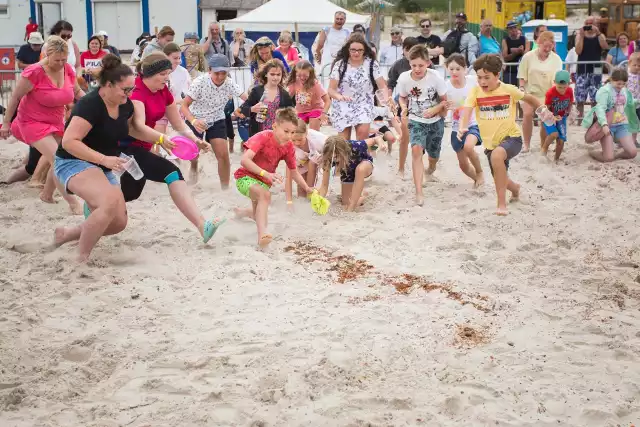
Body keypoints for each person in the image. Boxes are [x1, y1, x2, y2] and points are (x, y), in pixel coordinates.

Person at [118, 52, 224, 243]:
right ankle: (202, 226)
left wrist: (194, 139)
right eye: (163, 73)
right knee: (172, 172)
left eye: (169, 73)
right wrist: (161, 138)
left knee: (132, 192)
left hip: (144, 146)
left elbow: (177, 123)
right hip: (126, 147)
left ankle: (98, 205)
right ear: (149, 74)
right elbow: (137, 126)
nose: (167, 77)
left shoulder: (162, 91)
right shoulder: (137, 92)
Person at [459, 54, 555, 216]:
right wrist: (463, 127)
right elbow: (467, 110)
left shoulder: (508, 90)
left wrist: (543, 112)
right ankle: (515, 189)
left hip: (512, 138)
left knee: (497, 157)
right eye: (479, 77)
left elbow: (530, 98)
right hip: (491, 144)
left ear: (497, 75)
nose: (482, 82)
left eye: (487, 77)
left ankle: (501, 205)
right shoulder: (475, 92)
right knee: (499, 177)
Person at [0, 36, 84, 213]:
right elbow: (15, 98)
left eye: (64, 59)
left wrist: (96, 103)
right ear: (46, 54)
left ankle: (47, 194)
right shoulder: (34, 72)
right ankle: (73, 203)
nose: (60, 63)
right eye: (57, 60)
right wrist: (6, 123)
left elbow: (77, 92)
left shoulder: (67, 69)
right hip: (31, 121)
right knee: (58, 159)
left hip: (55, 121)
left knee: (62, 156)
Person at [233, 107, 313, 248]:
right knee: (265, 196)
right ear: (275, 126)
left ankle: (242, 213)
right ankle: (262, 237)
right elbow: (244, 160)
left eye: (293, 132)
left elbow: (293, 172)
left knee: (259, 211)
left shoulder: (288, 146)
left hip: (264, 183)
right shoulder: (263, 137)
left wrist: (307, 188)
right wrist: (266, 173)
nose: (289, 136)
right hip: (245, 177)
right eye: (286, 131)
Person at [182, 54, 248, 188]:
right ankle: (194, 167)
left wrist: (248, 108)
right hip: (196, 118)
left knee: (223, 155)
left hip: (217, 119)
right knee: (193, 154)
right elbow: (183, 106)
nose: (220, 77)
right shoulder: (199, 83)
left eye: (223, 73)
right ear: (209, 70)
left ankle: (224, 188)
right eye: (217, 73)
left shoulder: (229, 83)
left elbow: (248, 99)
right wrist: (194, 121)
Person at [397, 44, 448, 206]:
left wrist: (435, 109)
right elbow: (402, 97)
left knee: (434, 155)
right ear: (409, 63)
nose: (417, 69)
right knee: (416, 150)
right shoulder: (404, 78)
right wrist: (404, 107)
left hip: (435, 121)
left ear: (428, 62)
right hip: (416, 120)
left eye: (421, 65)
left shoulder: (436, 78)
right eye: (413, 65)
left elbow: (445, 101)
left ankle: (431, 169)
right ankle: (419, 192)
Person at [327, 34, 388, 141]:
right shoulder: (340, 65)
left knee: (362, 138)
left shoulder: (371, 64)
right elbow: (331, 90)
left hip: (363, 105)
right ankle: (346, 158)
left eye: (360, 50)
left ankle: (361, 158)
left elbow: (382, 85)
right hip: (343, 105)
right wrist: (339, 97)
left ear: (364, 50)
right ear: (348, 50)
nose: (356, 53)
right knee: (344, 142)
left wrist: (388, 100)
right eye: (353, 50)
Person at [518, 31, 562, 152]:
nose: (547, 49)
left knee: (545, 119)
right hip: (529, 92)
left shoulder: (556, 59)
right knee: (527, 115)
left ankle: (543, 145)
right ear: (539, 43)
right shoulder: (528, 57)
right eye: (545, 46)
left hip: (546, 94)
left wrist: (554, 95)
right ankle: (526, 144)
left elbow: (556, 79)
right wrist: (521, 88)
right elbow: (522, 76)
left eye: (550, 46)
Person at [583, 68, 638, 162]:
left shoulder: (624, 91)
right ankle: (592, 153)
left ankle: (615, 155)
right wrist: (604, 125)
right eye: (618, 83)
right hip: (607, 126)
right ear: (612, 80)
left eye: (623, 84)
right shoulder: (605, 91)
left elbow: (631, 102)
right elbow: (600, 108)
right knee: (608, 158)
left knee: (632, 153)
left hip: (622, 125)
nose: (621, 86)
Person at [445, 53, 484, 188]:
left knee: (468, 147)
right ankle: (476, 179)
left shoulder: (473, 81)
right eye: (451, 69)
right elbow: (443, 111)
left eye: (458, 69)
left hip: (473, 123)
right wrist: (445, 107)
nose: (454, 72)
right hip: (456, 127)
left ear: (465, 69)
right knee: (463, 165)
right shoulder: (446, 87)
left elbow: (486, 89)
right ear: (446, 69)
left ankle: (480, 173)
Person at [318, 134, 382, 212]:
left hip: (365, 165)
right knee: (345, 203)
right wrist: (319, 201)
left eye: (337, 156)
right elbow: (324, 185)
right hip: (348, 171)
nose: (335, 159)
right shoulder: (328, 158)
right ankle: (363, 195)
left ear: (344, 150)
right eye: (333, 157)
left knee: (360, 170)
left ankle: (353, 204)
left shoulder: (356, 146)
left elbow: (376, 139)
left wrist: (381, 144)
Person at [387, 36, 419, 176]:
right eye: (408, 49)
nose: (411, 52)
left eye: (414, 49)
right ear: (403, 50)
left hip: (421, 105)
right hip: (404, 103)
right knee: (405, 137)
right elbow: (390, 83)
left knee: (418, 140)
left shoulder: (425, 64)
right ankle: (401, 168)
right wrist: (389, 99)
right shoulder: (399, 65)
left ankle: (420, 166)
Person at [241, 59, 294, 137]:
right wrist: (252, 109)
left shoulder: (284, 94)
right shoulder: (257, 91)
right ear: (266, 74)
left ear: (282, 75)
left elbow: (292, 113)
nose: (275, 77)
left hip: (278, 134)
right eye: (272, 74)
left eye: (278, 74)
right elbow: (244, 109)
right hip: (259, 133)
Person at [575, 17, 608, 123]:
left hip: (596, 68)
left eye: (591, 23)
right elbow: (578, 51)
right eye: (587, 23)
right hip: (582, 69)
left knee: (596, 95)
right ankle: (580, 119)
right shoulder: (580, 35)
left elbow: (605, 47)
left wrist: (598, 34)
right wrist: (582, 36)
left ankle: (595, 118)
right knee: (580, 96)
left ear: (596, 24)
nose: (589, 26)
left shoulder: (600, 35)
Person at [155, 43, 191, 138]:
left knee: (177, 143)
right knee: (158, 142)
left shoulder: (183, 72)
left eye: (180, 58)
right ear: (165, 57)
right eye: (175, 58)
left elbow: (186, 94)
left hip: (177, 111)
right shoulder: (156, 72)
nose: (179, 61)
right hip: (159, 111)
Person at [287, 119, 327, 200]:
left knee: (312, 164)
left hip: (319, 157)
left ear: (306, 133)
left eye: (300, 140)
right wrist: (289, 200)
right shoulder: (288, 143)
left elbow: (332, 150)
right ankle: (303, 199)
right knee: (301, 189)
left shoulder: (318, 139)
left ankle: (311, 194)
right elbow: (290, 170)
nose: (297, 143)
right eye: (293, 140)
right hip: (302, 158)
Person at [287, 60, 330, 131]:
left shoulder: (315, 84)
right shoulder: (294, 82)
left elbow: (327, 100)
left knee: (313, 133)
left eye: (305, 75)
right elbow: (288, 98)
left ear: (310, 73)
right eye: (299, 75)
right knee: (297, 132)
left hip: (315, 109)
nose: (302, 78)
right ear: (295, 73)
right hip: (300, 112)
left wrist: (324, 113)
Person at [542, 70, 574, 161]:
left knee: (561, 140)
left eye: (564, 87)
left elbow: (570, 102)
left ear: (569, 83)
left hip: (562, 117)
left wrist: (569, 112)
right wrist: (553, 117)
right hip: (550, 116)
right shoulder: (550, 93)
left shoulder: (570, 91)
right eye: (559, 87)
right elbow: (546, 109)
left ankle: (556, 160)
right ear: (554, 82)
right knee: (554, 134)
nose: (562, 90)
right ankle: (544, 149)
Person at [502, 21, 526, 86]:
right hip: (510, 71)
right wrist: (515, 53)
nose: (513, 30)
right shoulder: (505, 40)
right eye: (511, 28)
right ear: (508, 30)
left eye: (515, 27)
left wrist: (520, 51)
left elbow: (527, 56)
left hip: (523, 71)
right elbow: (505, 58)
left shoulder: (524, 39)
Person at [626, 52, 640, 145]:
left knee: (635, 123)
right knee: (625, 122)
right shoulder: (625, 75)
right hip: (626, 103)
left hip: (638, 103)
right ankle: (623, 140)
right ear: (629, 63)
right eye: (634, 65)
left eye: (639, 65)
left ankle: (634, 140)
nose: (637, 67)